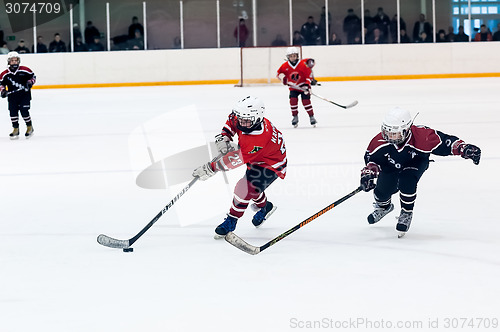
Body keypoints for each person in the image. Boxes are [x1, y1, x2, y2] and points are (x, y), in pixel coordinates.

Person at [360, 107, 481, 236]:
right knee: (382, 191)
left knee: (407, 181)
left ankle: (406, 212)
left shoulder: (423, 136)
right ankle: (384, 207)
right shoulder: (378, 141)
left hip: (415, 162)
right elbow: (372, 160)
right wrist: (368, 174)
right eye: (387, 132)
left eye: (395, 133)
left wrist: (463, 148)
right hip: (392, 164)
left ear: (407, 129)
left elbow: (446, 143)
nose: (390, 137)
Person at [192, 96, 287, 238]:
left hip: (271, 165)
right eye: (240, 119)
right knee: (253, 190)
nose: (241, 123)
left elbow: (236, 159)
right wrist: (225, 136)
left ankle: (232, 220)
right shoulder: (246, 118)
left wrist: (211, 168)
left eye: (246, 121)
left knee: (243, 188)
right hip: (257, 159)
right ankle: (265, 207)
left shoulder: (259, 138)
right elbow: (232, 120)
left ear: (257, 118)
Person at [276, 47, 317, 127]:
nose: (293, 57)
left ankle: (311, 117)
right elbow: (279, 74)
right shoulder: (284, 66)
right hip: (293, 88)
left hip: (303, 87)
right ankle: (295, 117)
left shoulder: (303, 64)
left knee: (306, 102)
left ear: (297, 56)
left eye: (294, 56)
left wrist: (307, 85)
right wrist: (283, 79)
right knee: (293, 101)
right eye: (291, 56)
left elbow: (309, 76)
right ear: (288, 57)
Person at [0, 51, 36, 139]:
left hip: (24, 95)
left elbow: (33, 77)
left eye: (16, 60)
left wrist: (30, 82)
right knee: (13, 112)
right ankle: (15, 128)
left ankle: (29, 127)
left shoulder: (25, 70)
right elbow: (1, 84)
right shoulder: (4, 74)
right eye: (12, 60)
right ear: (9, 62)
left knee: (24, 111)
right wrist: (3, 91)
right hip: (12, 96)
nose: (14, 62)